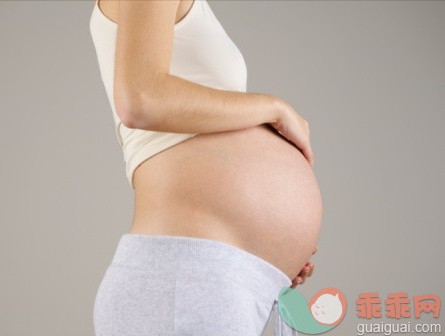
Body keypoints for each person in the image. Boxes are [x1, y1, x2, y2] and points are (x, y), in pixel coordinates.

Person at [89, 0, 323, 335]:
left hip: (221, 280)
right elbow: (142, 97)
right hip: (184, 278)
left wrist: (275, 255)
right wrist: (275, 108)